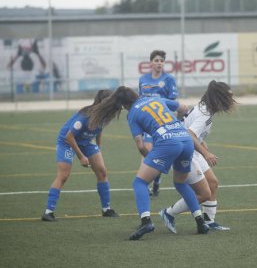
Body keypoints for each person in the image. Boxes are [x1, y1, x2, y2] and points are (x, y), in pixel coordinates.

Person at [87, 86, 209, 240]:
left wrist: (154, 160)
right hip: (185, 140)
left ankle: (146, 222)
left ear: (122, 105)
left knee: (139, 182)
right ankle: (200, 221)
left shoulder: (132, 114)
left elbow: (140, 146)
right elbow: (184, 108)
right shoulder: (155, 98)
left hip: (167, 143)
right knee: (180, 183)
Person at [159, 80, 237, 233]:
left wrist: (202, 143)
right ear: (218, 98)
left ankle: (209, 221)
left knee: (213, 183)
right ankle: (168, 213)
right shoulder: (204, 113)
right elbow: (190, 134)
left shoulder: (205, 108)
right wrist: (206, 153)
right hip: (185, 150)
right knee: (204, 194)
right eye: (227, 97)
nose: (230, 101)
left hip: (192, 148)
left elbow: (191, 130)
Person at [41, 90, 119, 222]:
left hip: (85, 141)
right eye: (110, 101)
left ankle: (106, 209)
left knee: (102, 172)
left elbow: (99, 130)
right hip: (67, 142)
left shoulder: (106, 115)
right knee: (63, 175)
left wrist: (98, 147)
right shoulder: (86, 116)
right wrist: (82, 157)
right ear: (102, 102)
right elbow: (69, 136)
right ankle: (48, 212)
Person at [138, 50, 179, 196]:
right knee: (147, 151)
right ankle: (145, 182)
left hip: (162, 123)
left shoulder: (169, 80)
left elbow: (173, 103)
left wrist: (171, 121)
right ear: (151, 63)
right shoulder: (143, 79)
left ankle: (156, 181)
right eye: (156, 60)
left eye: (161, 60)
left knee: (159, 154)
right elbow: (140, 100)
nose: (159, 63)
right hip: (147, 123)